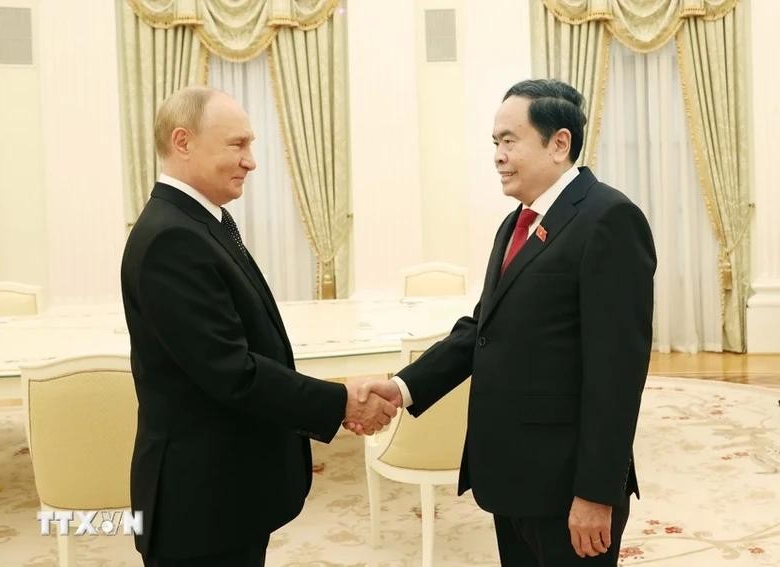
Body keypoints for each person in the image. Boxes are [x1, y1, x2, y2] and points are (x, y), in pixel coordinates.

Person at [352, 79, 656, 566]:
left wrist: (596, 493)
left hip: (568, 485)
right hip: (514, 477)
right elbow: (482, 328)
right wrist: (403, 388)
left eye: (510, 140)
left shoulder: (609, 219)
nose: (498, 155)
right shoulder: (517, 221)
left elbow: (617, 376)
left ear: (560, 143)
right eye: (495, 142)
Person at [120, 86, 397, 567]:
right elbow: (232, 371)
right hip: (199, 504)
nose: (251, 161)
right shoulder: (172, 238)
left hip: (224, 493)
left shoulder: (197, 223)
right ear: (183, 142)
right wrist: (341, 401)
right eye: (238, 144)